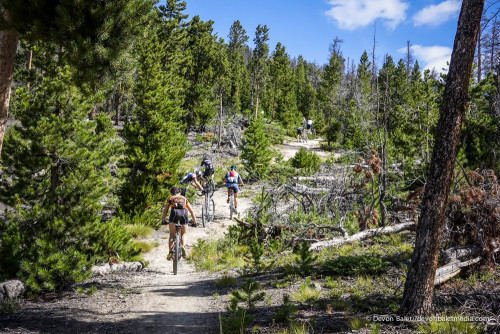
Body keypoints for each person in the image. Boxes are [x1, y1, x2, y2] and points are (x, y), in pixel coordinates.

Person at [161, 187, 197, 260]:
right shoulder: (184, 198)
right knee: (184, 234)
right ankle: (183, 246)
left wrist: (163, 220)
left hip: (174, 214)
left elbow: (165, 211)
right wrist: (194, 222)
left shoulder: (171, 199)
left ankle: (170, 251)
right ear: (180, 192)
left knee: (172, 235)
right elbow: (192, 211)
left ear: (172, 193)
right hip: (184, 214)